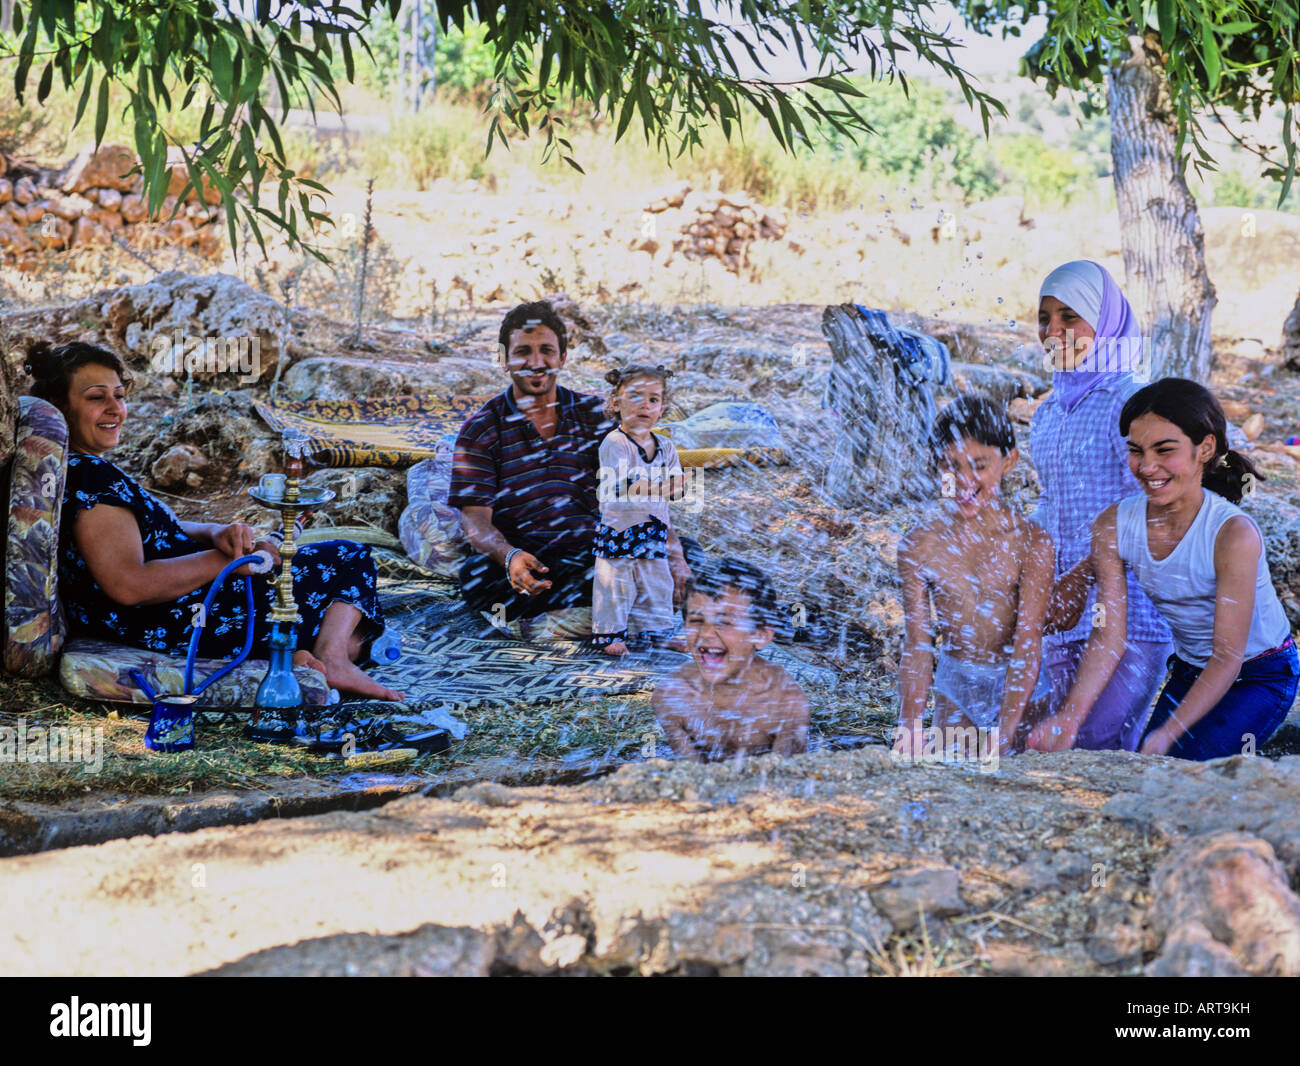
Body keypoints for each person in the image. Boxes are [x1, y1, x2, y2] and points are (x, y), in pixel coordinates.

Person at [27, 341, 402, 701]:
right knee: (348, 558)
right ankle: (329, 659)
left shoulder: (79, 470)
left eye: (119, 395)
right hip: (177, 617)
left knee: (346, 621)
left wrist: (213, 532)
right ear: (59, 407)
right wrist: (233, 562)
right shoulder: (91, 480)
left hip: (172, 605)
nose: (114, 408)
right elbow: (129, 585)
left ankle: (310, 656)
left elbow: (145, 533)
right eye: (96, 397)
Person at [1030, 379, 1297, 760]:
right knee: (1149, 767)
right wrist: (1069, 719)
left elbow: (1226, 657)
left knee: (1178, 766)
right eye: (1136, 451)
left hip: (1257, 675)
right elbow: (1109, 635)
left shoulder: (1233, 536)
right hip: (1190, 670)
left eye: (1164, 450)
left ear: (1204, 448)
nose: (1147, 466)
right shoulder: (1113, 526)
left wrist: (1170, 732)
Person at [450, 301, 691, 637]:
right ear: (504, 359)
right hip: (534, 556)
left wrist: (674, 555)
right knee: (477, 577)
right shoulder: (482, 430)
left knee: (682, 553)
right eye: (523, 351)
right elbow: (475, 521)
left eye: (546, 350)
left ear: (562, 357)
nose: (536, 363)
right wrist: (509, 556)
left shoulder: (598, 417)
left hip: (601, 550)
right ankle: (629, 611)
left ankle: (604, 610)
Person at [1030, 260, 1175, 750]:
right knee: (1057, 749)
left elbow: (1154, 506)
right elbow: (1051, 502)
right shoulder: (1048, 412)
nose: (1054, 331)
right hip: (1064, 617)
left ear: (1107, 320)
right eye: (1044, 319)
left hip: (1133, 611)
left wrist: (1080, 577)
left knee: (1099, 747)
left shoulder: (1130, 402)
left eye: (1070, 317)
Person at [896, 394, 1055, 752]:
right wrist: (909, 723)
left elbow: (1028, 641)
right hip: (957, 682)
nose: (964, 479)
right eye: (950, 465)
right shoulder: (920, 544)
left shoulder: (1031, 542)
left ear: (1009, 460)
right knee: (949, 782)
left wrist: (1006, 729)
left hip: (1019, 685)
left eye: (979, 465)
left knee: (1018, 777)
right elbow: (918, 644)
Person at [652, 558, 808, 761]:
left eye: (724, 622)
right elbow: (689, 776)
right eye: (697, 621)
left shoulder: (786, 703)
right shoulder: (671, 697)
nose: (706, 634)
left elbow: (789, 781)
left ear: (761, 635)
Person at [592, 364, 686, 655]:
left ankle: (657, 633)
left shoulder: (666, 445)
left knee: (656, 582)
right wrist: (663, 486)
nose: (645, 405)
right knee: (615, 584)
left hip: (653, 527)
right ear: (615, 403)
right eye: (635, 397)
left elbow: (680, 486)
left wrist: (675, 486)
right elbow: (623, 485)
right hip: (619, 528)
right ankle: (610, 636)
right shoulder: (616, 442)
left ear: (663, 407)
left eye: (654, 399)